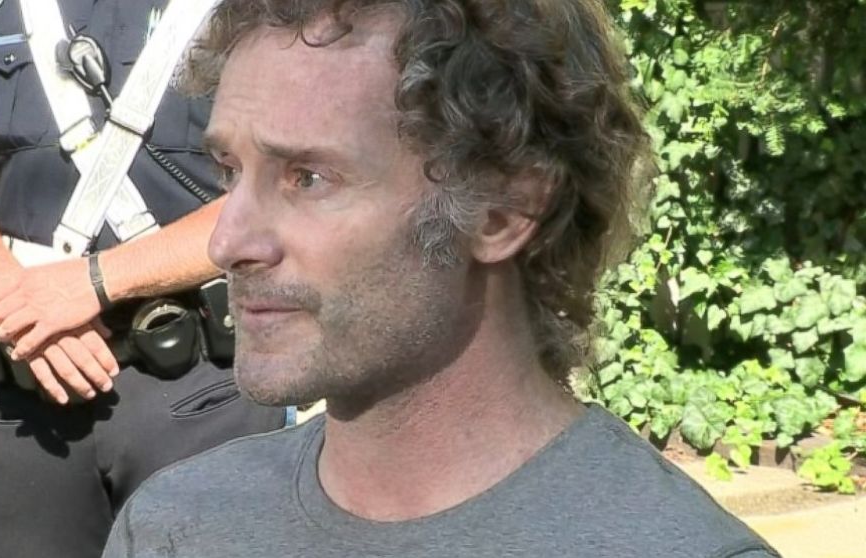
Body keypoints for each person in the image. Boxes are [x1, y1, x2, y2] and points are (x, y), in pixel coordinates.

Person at [100, 1, 782, 557]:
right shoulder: (175, 528)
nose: (227, 242)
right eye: (228, 171)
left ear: (503, 210)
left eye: (307, 178)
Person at [0, 1, 286, 557]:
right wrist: (25, 307)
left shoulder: (259, 12)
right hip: (27, 393)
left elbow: (271, 196)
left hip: (202, 392)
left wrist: (91, 284)